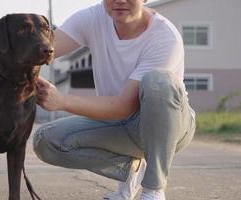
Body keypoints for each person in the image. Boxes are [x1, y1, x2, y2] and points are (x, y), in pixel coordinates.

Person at [33, 0, 196, 199]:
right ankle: (132, 170)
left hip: (170, 127)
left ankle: (153, 189)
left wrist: (62, 101)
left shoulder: (165, 37)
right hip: (119, 124)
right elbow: (38, 51)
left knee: (158, 82)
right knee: (46, 141)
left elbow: (123, 106)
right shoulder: (92, 18)